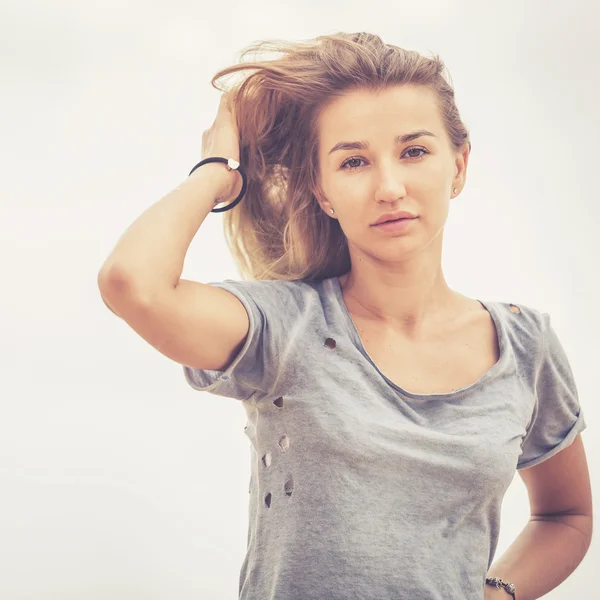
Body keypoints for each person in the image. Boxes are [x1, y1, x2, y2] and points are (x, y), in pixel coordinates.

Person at [98, 32, 589, 600]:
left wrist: (494, 594)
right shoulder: (282, 327)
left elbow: (566, 516)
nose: (389, 187)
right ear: (323, 192)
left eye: (414, 151)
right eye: (353, 161)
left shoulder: (526, 345)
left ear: (459, 165)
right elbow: (131, 283)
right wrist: (216, 171)